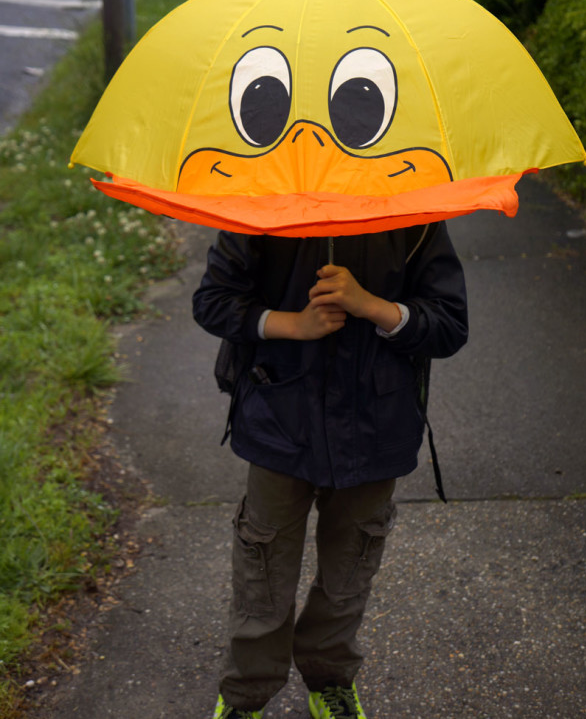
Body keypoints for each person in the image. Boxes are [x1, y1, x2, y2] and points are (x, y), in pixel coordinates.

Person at [193, 223, 468, 719]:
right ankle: (248, 692)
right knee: (263, 565)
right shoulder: (258, 208)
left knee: (350, 566)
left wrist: (372, 306)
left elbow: (449, 323)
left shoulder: (416, 216)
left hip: (376, 426)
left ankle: (329, 677)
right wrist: (292, 325)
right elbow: (213, 302)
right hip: (280, 418)